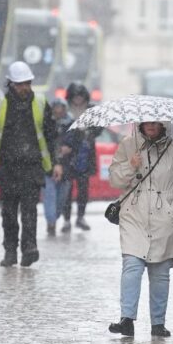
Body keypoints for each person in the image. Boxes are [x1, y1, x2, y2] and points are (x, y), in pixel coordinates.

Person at [108, 121, 173, 337]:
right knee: (132, 265)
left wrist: (172, 209)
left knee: (160, 271)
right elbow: (114, 180)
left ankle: (158, 323)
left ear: (163, 123)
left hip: (163, 218)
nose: (150, 125)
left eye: (155, 121)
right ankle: (126, 319)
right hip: (133, 215)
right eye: (146, 121)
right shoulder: (128, 145)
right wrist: (130, 165)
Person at [0, 61, 59, 266]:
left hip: (32, 168)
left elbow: (52, 136)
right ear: (11, 84)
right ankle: (10, 251)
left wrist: (57, 162)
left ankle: (29, 248)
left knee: (30, 212)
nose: (25, 88)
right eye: (20, 84)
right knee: (9, 214)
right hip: (7, 169)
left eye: (27, 83)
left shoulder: (40, 104)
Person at [58, 82, 98, 232]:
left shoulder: (91, 110)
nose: (78, 99)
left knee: (83, 188)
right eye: (75, 96)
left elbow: (99, 129)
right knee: (67, 190)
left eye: (80, 96)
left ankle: (81, 217)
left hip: (85, 154)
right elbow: (60, 128)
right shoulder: (66, 109)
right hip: (69, 154)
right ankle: (66, 219)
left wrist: (89, 131)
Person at [44, 97, 73, 236]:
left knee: (62, 197)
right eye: (55, 108)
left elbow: (77, 142)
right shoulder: (47, 124)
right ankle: (51, 222)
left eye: (60, 108)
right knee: (49, 195)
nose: (58, 111)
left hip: (67, 167)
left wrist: (70, 148)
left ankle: (54, 217)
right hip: (48, 166)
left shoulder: (71, 124)